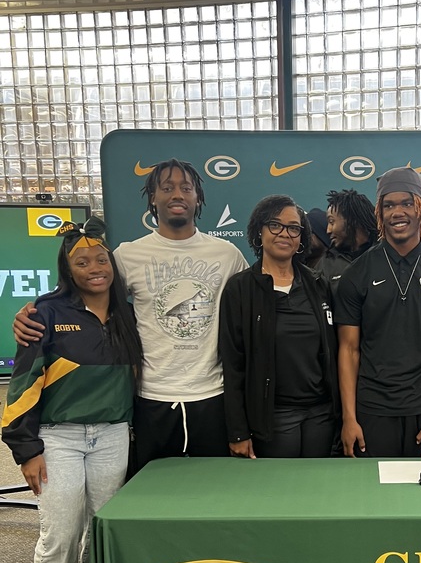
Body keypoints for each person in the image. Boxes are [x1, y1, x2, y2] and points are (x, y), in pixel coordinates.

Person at [13, 159, 249, 471]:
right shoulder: (126, 255)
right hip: (150, 398)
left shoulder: (227, 254)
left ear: (198, 198)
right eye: (167, 188)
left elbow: (252, 305)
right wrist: (34, 311)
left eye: (186, 188)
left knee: (216, 491)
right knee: (150, 498)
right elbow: (83, 296)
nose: (177, 194)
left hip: (212, 396)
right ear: (153, 197)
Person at [1, 219, 142, 563]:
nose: (94, 267)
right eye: (82, 261)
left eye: (101, 259)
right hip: (58, 437)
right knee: (61, 530)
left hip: (113, 436)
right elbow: (23, 386)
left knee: (99, 528)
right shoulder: (45, 313)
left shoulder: (126, 311)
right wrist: (26, 450)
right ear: (68, 268)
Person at [335, 166, 421, 458]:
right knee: (374, 499)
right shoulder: (357, 274)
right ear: (379, 213)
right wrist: (349, 418)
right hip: (372, 411)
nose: (398, 212)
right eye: (389, 204)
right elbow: (348, 350)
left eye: (407, 203)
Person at [219, 195, 339, 459]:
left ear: (301, 238)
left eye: (294, 227)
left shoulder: (317, 284)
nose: (285, 233)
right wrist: (238, 431)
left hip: (321, 413)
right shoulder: (241, 289)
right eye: (275, 225)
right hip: (273, 417)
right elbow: (233, 364)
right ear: (258, 233)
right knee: (281, 494)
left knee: (318, 490)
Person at [313, 188, 378, 298]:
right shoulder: (325, 266)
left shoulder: (387, 254)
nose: (328, 230)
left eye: (332, 222)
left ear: (352, 220)